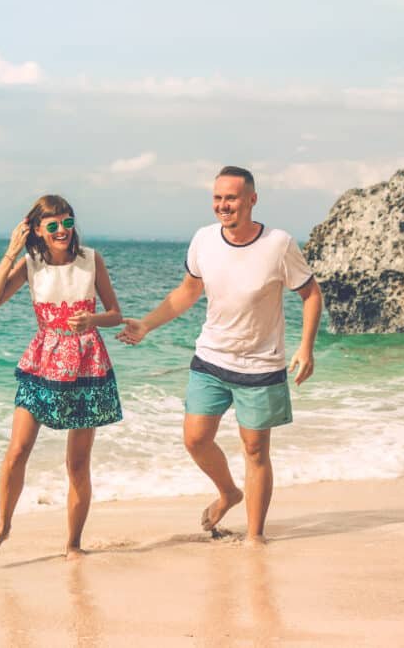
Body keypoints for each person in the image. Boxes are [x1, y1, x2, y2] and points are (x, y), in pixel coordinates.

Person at [117, 166, 322, 546]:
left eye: (231, 198)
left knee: (255, 450)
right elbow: (187, 291)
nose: (223, 205)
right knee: (195, 439)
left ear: (251, 200)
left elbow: (311, 294)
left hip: (261, 364)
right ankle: (229, 492)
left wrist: (305, 347)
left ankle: (255, 536)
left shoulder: (279, 244)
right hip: (211, 359)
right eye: (217, 198)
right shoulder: (204, 240)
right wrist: (147, 325)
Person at [0, 194, 123, 560]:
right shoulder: (31, 265)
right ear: (38, 230)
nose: (62, 230)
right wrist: (11, 252)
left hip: (86, 365)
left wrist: (92, 320)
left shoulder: (91, 260)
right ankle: (4, 524)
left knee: (77, 463)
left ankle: (74, 543)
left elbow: (115, 314)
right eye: (53, 225)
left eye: (67, 222)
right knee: (17, 451)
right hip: (42, 363)